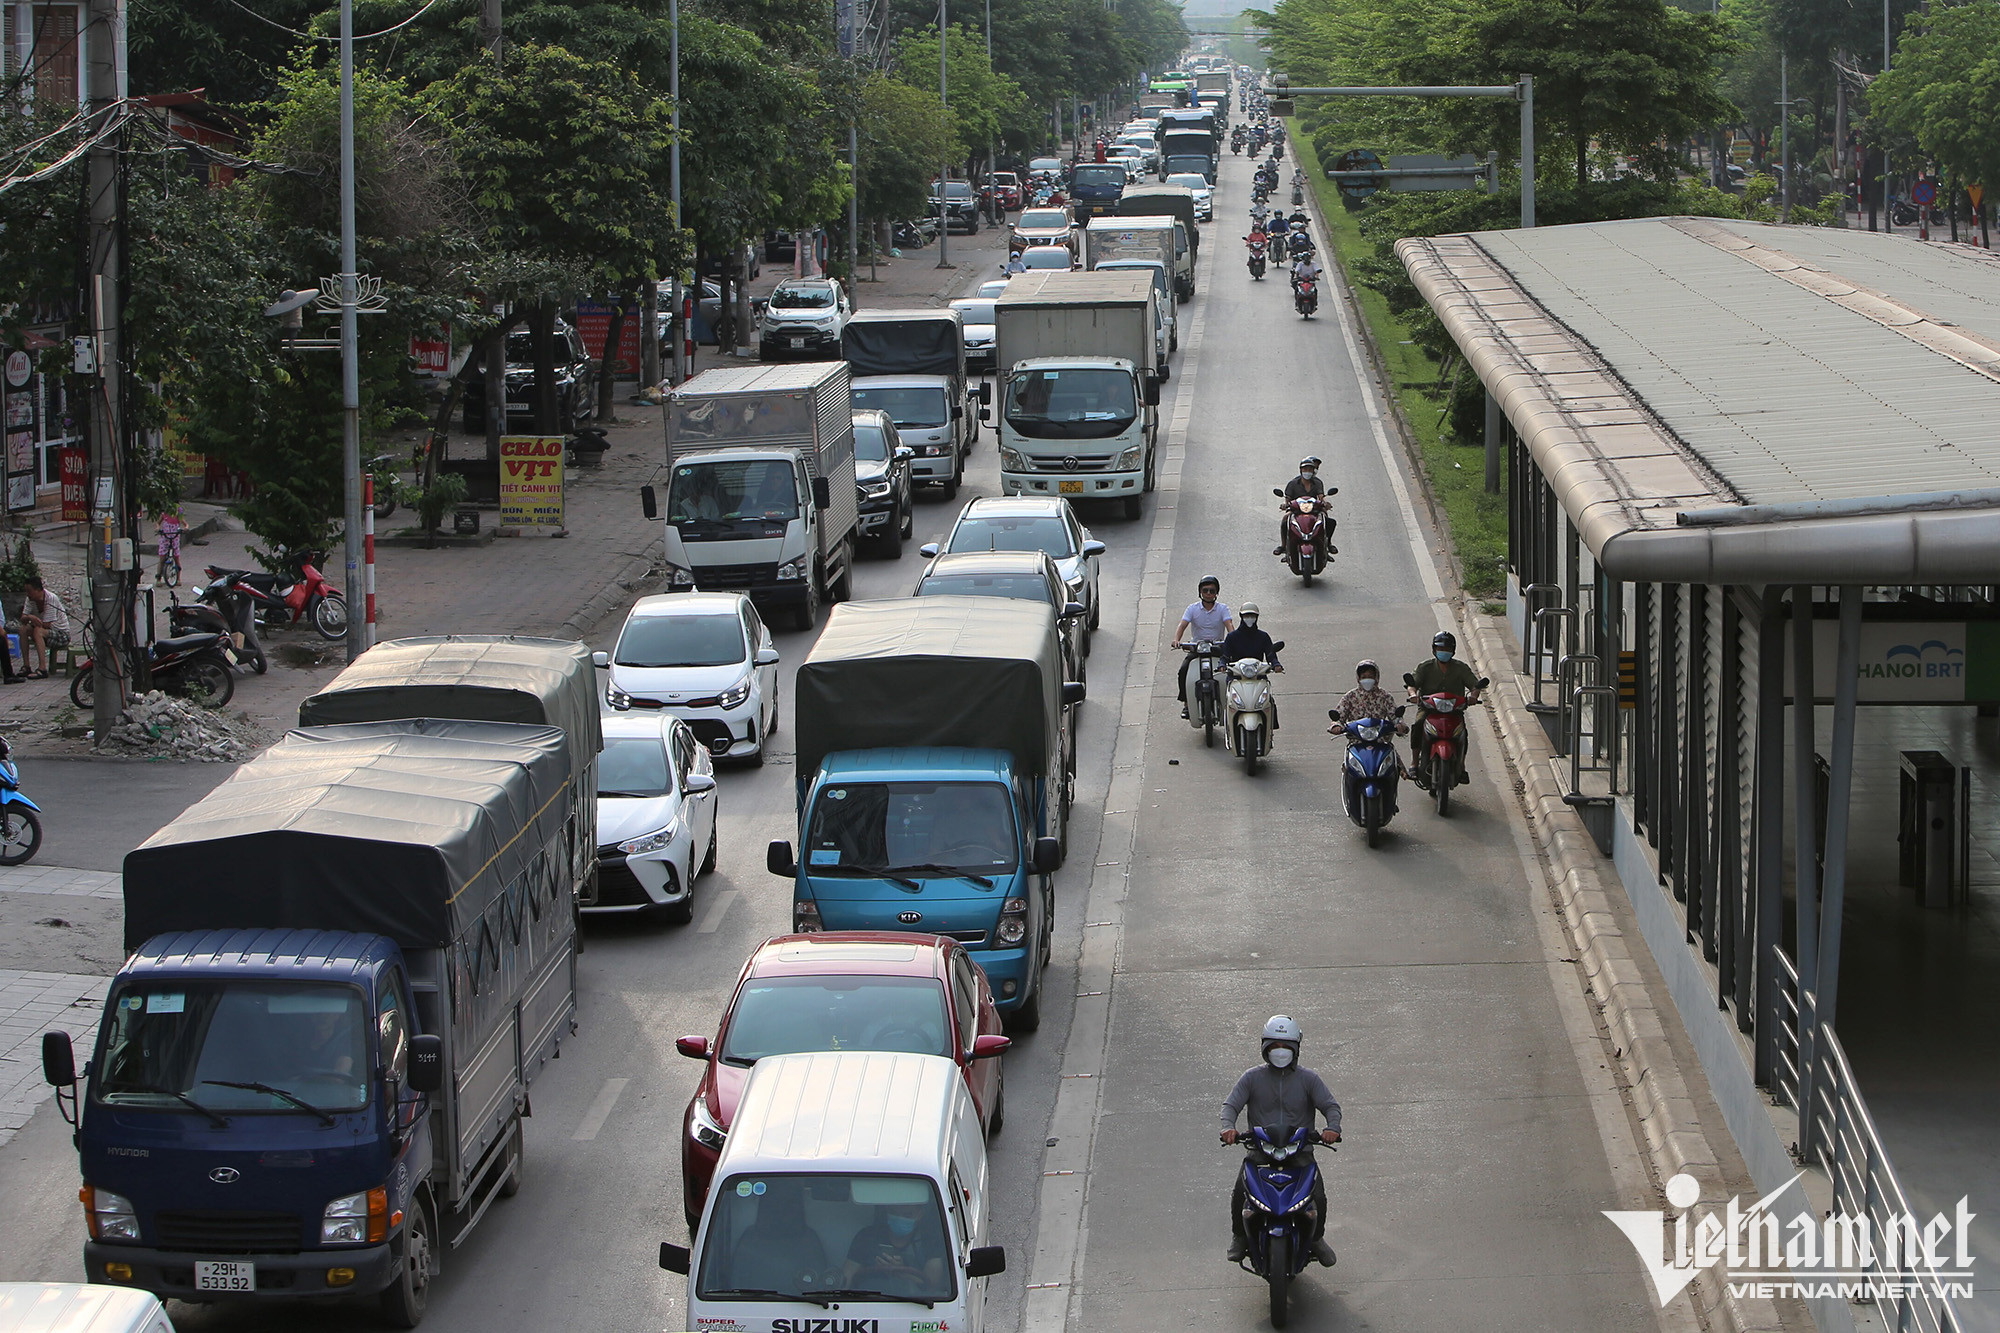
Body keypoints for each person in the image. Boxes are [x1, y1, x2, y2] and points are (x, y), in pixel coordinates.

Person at [1220, 1014, 1341, 1266]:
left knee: (1317, 1196)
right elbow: (1231, 1106)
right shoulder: (1251, 1078)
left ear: (1296, 1048)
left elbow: (1330, 1106)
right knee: (1240, 1191)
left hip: (1300, 1152)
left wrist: (1333, 1128)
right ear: (1265, 1048)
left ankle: (1316, 1239)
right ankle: (1239, 1236)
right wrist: (1228, 1128)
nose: (1280, 1051)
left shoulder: (1309, 1079)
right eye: (1275, 1046)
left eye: (1285, 1046)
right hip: (1260, 1151)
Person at [1406, 630, 1483, 783]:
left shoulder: (1461, 668)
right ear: (1434, 650)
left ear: (1453, 651)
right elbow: (1412, 684)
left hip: (1454, 710)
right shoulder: (1425, 667)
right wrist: (1413, 694)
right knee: (1418, 725)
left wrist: (1473, 696)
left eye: (1447, 649)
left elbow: (1475, 685)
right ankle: (1414, 762)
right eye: (1440, 649)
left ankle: (1461, 765)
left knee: (1462, 734)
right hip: (1429, 709)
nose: (1444, 652)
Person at [844, 1200, 948, 1298]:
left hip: (917, 1304)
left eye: (907, 1215)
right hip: (865, 1302)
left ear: (920, 1214)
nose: (900, 1218)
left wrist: (902, 1271)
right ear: (886, 1211)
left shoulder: (930, 1241)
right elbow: (847, 1278)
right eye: (894, 1213)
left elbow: (933, 1285)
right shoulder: (866, 1237)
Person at [1173, 575, 1234, 719]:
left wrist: (1233, 640)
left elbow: (1230, 625)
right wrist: (1176, 640)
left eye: (1212, 591)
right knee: (1183, 670)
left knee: (1232, 671)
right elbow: (1182, 625)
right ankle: (1186, 704)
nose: (1208, 593)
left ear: (1216, 593)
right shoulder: (1192, 609)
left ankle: (1232, 702)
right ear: (1200, 591)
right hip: (1198, 648)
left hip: (1217, 647)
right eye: (1205, 590)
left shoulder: (1223, 609)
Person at [1221, 602, 1283, 730]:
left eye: (1252, 615)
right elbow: (1225, 655)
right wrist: (1222, 665)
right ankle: (1228, 724)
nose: (1249, 618)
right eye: (1247, 615)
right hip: (1236, 678)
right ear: (1241, 617)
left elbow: (1270, 654)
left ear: (1257, 617)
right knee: (1230, 702)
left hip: (1258, 677)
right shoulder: (1232, 637)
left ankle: (1270, 728)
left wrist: (1276, 664)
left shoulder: (1263, 637)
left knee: (1269, 701)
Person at [1328, 660, 1407, 734]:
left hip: (1381, 742)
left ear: (1376, 677)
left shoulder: (1385, 696)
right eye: (1364, 677)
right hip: (1356, 742)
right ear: (1359, 678)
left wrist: (1399, 724)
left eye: (1370, 676)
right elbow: (1339, 716)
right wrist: (1336, 726)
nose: (1367, 679)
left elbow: (1394, 715)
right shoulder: (1350, 697)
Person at [1275, 456, 1333, 556]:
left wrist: (1325, 503)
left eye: (1310, 469)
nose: (1308, 471)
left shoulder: (1318, 482)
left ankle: (1328, 544)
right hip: (1296, 509)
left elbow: (1321, 496)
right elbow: (1287, 499)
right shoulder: (1293, 484)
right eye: (1305, 469)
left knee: (1327, 519)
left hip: (1313, 509)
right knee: (1285, 519)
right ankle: (1283, 545)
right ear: (1301, 470)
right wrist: (1285, 505)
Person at [19, 577, 69, 679]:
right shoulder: (30, 599)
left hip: (60, 634)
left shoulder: (50, 598)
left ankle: (42, 668)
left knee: (38, 631)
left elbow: (46, 624)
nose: (28, 594)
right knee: (23, 629)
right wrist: (29, 617)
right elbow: (23, 618)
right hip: (45, 631)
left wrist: (33, 621)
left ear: (38, 590)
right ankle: (26, 665)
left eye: (30, 591)